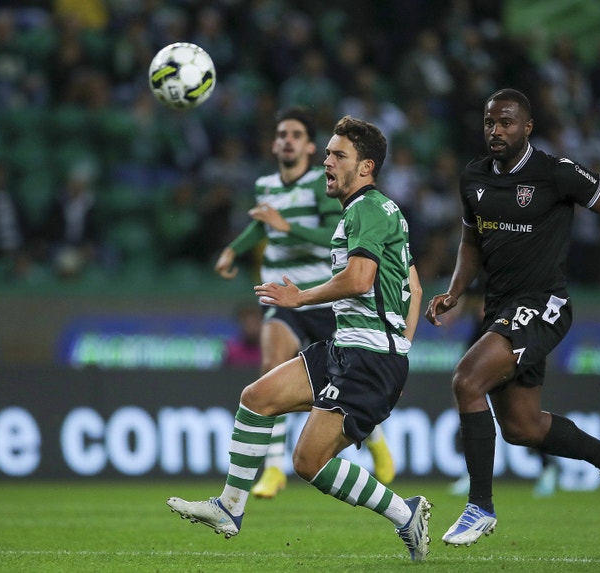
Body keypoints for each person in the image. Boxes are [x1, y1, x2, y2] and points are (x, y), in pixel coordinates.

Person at [167, 116, 431, 560]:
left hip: (366, 356)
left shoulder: (367, 208)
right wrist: (402, 345)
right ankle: (230, 506)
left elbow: (361, 278)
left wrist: (300, 298)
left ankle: (405, 515)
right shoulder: (377, 210)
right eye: (326, 152)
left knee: (308, 463)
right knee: (257, 397)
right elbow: (416, 287)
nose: (326, 161)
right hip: (351, 348)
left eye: (337, 155)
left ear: (365, 167)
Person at [425, 88, 600, 547]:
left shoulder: (556, 173)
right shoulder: (474, 177)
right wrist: (455, 290)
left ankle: (479, 507)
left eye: (505, 123)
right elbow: (470, 242)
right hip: (500, 307)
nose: (495, 131)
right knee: (523, 427)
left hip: (543, 304)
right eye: (489, 123)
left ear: (527, 127)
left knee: (466, 380)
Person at [212, 106, 395, 498]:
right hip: (284, 295)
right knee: (270, 366)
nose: (287, 140)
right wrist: (233, 250)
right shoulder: (266, 185)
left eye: (295, 134)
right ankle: (274, 469)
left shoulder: (324, 186)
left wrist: (288, 227)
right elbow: (261, 224)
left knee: (341, 380)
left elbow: (336, 232)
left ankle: (375, 439)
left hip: (324, 296)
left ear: (309, 146)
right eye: (281, 134)